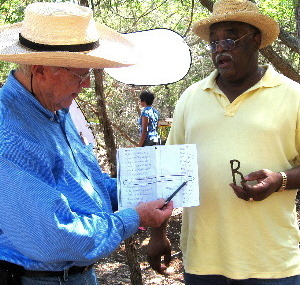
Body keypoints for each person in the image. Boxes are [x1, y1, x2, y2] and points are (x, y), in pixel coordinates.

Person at [0, 2, 174, 285]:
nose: (87, 85)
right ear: (40, 69)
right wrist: (132, 218)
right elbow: (56, 236)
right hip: (38, 278)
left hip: (75, 275)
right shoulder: (8, 132)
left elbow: (86, 184)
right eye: (79, 73)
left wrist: (138, 188)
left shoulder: (57, 109)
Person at [147, 0, 300, 284]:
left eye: (230, 37)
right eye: (213, 41)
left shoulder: (293, 96)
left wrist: (279, 180)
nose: (220, 48)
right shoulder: (192, 97)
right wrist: (158, 234)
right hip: (204, 261)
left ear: (255, 40)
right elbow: (169, 172)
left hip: (271, 262)